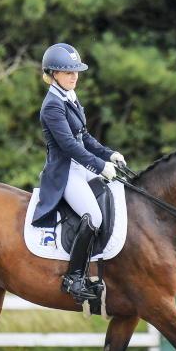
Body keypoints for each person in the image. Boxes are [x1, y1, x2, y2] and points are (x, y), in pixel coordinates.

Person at [31, 43, 127, 304]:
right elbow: (70, 147)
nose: (74, 76)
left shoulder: (69, 96)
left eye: (76, 71)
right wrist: (100, 166)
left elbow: (84, 137)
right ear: (53, 74)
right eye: (68, 72)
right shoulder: (52, 105)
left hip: (81, 167)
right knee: (93, 216)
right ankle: (74, 278)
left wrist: (109, 154)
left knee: (116, 194)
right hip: (65, 173)